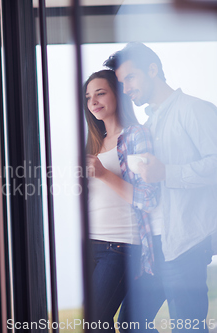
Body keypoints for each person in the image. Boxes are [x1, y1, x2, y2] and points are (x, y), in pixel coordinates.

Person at [105, 42, 217, 332]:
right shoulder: (149, 123)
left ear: (152, 70)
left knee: (188, 328)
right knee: (132, 323)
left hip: (184, 245)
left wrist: (167, 172)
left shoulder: (195, 110)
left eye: (130, 78)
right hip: (152, 247)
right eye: (121, 82)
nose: (126, 88)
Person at [84, 69, 158, 332]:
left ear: (119, 94)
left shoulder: (135, 135)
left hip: (122, 245)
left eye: (100, 93)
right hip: (92, 243)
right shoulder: (95, 142)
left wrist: (102, 174)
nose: (93, 101)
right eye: (89, 96)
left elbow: (147, 198)